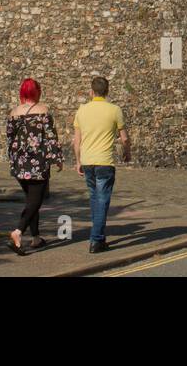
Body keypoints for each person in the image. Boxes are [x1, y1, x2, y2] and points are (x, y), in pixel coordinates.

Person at [4, 78, 63, 256]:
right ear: (37, 92)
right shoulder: (43, 111)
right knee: (35, 201)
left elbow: (9, 138)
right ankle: (18, 232)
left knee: (31, 200)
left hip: (19, 162)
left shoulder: (13, 112)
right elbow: (51, 137)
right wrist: (57, 158)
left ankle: (36, 238)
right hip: (38, 162)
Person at [73, 76, 130, 253]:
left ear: (91, 92)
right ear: (107, 91)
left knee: (95, 199)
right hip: (105, 161)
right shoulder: (114, 110)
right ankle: (96, 239)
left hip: (88, 161)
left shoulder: (81, 111)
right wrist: (127, 153)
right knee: (103, 200)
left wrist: (77, 161)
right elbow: (125, 138)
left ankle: (99, 237)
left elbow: (77, 140)